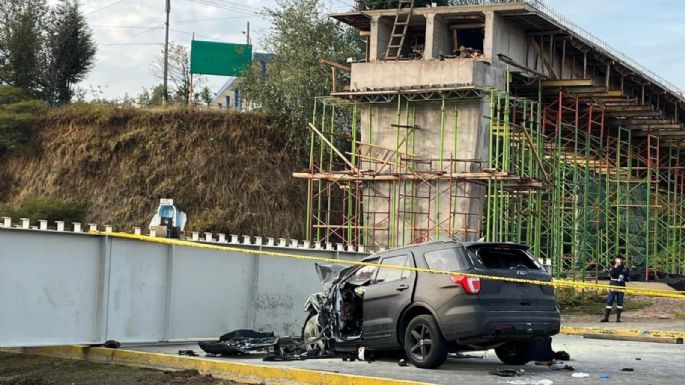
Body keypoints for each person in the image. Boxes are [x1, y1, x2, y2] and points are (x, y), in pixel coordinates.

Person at [601, 256, 630, 323]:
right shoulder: (612, 268)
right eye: (617, 261)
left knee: (620, 302)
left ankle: (618, 318)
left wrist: (623, 278)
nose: (619, 262)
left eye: (620, 260)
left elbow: (628, 279)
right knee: (610, 301)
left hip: (621, 286)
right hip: (613, 286)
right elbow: (611, 274)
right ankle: (606, 317)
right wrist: (615, 266)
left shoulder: (625, 269)